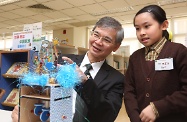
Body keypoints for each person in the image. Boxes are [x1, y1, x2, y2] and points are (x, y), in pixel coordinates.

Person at [11, 16, 125, 122]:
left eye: (107, 40)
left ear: (116, 46)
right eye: (96, 35)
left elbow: (108, 116)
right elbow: (41, 91)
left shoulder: (117, 79)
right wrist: (24, 109)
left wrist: (85, 81)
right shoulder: (62, 61)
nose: (98, 42)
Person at [124, 4, 187, 122]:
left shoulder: (179, 51)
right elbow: (129, 91)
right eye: (137, 28)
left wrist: (157, 108)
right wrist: (134, 117)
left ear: (164, 25)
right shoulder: (135, 57)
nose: (141, 32)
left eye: (147, 26)